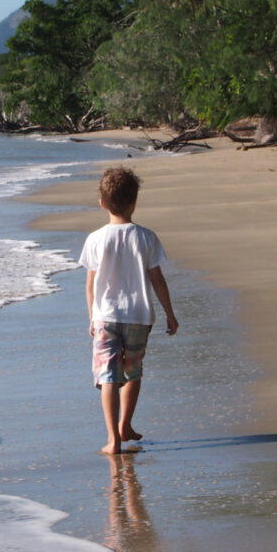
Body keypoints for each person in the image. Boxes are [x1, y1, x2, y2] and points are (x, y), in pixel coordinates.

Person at [79, 167, 178, 455]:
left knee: (107, 376)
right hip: (138, 316)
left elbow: (90, 285)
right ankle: (126, 424)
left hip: (106, 317)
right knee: (132, 372)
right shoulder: (146, 237)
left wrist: (92, 318)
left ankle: (113, 439)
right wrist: (170, 313)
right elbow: (157, 279)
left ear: (101, 202)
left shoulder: (95, 239)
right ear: (134, 202)